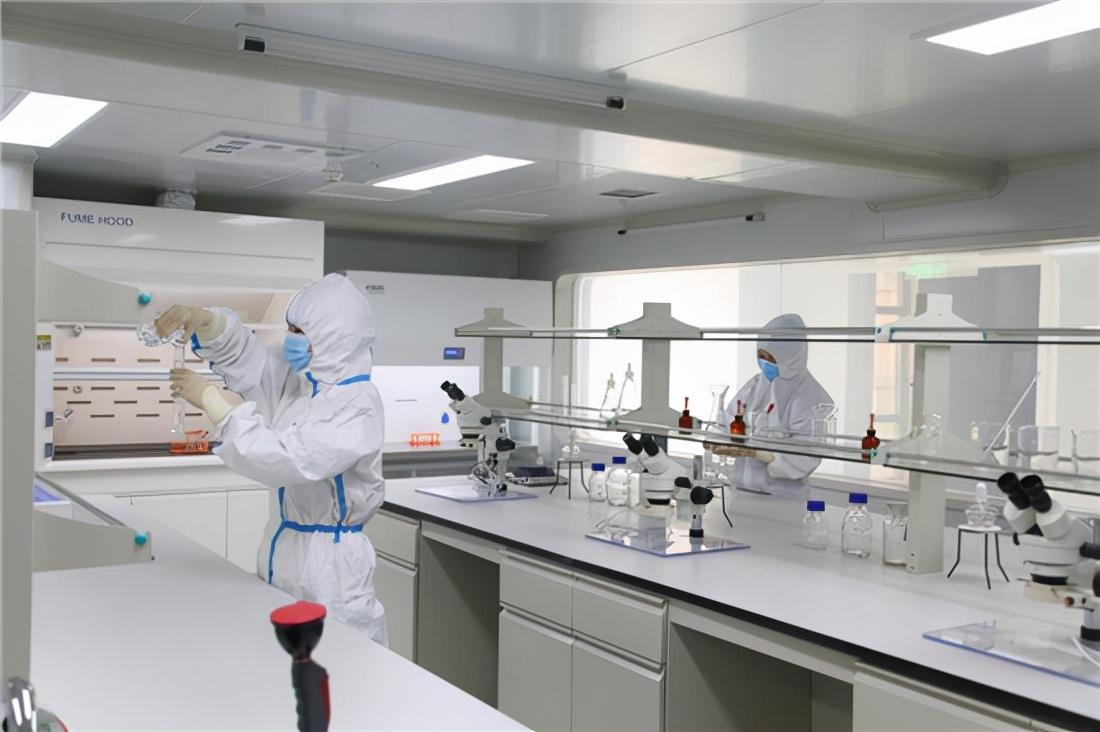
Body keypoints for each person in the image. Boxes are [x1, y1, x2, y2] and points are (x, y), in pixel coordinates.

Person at [156, 273, 387, 644]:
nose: (290, 338)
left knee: (337, 659)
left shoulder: (354, 402)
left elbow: (288, 459)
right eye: (290, 327)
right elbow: (255, 362)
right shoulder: (303, 383)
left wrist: (215, 404)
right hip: (284, 549)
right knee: (284, 657)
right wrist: (209, 323)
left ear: (332, 337)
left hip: (330, 569)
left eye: (300, 331)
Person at [719, 313, 833, 500]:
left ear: (791, 356)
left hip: (782, 499)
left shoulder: (810, 396)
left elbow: (806, 456)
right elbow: (729, 419)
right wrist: (720, 437)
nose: (764, 362)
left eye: (770, 357)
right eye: (760, 355)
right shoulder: (755, 385)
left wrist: (762, 454)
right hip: (740, 491)